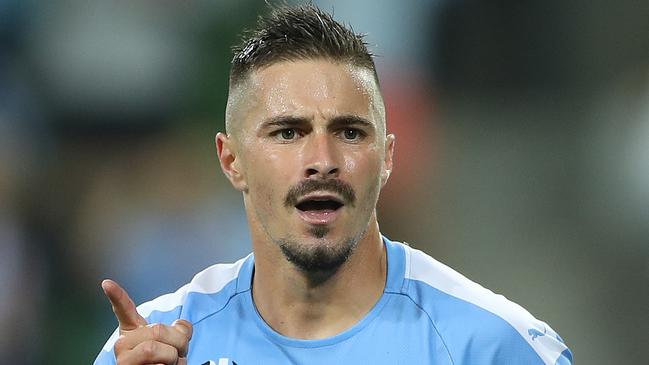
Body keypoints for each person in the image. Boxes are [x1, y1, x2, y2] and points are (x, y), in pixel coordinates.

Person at [94, 5, 572, 365]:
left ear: (387, 157)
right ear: (231, 159)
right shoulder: (159, 344)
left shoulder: (489, 345)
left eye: (349, 132)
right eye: (288, 133)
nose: (322, 161)